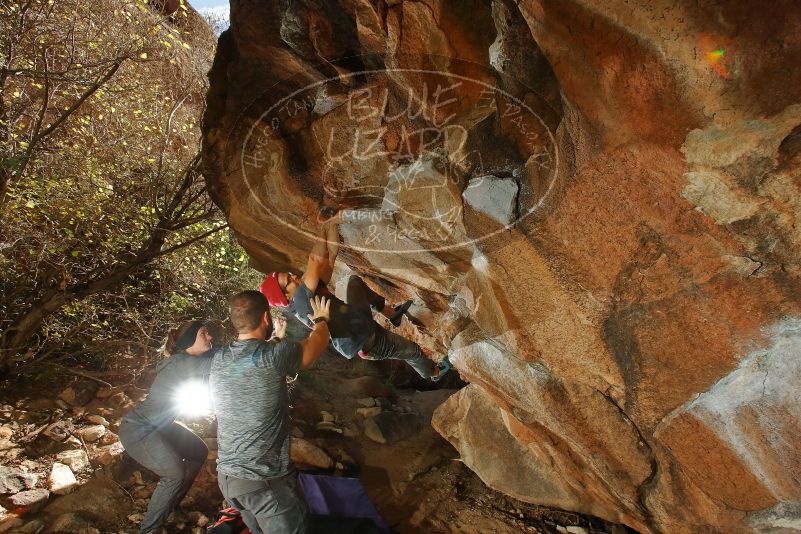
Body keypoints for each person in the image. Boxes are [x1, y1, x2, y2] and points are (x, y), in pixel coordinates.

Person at [259, 220, 450, 380]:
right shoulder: (299, 301)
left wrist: (332, 224)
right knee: (413, 352)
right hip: (367, 341)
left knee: (354, 282)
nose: (294, 277)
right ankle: (434, 373)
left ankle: (393, 315)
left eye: (290, 274)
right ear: (285, 296)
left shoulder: (307, 292)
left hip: (358, 319)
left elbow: (331, 257)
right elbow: (315, 260)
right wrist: (324, 227)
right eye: (288, 281)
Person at [210, 290, 331, 534]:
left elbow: (252, 355)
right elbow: (317, 344)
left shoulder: (220, 358)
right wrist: (322, 320)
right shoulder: (274, 356)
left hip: (229, 480)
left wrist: (277, 339)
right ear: (266, 318)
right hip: (265, 483)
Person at [118, 320, 214, 534]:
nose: (209, 338)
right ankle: (148, 530)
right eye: (203, 334)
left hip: (160, 426)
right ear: (189, 341)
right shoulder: (181, 362)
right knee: (174, 474)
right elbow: (227, 360)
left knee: (198, 451)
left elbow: (226, 361)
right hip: (138, 429)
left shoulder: (193, 360)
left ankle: (170, 507)